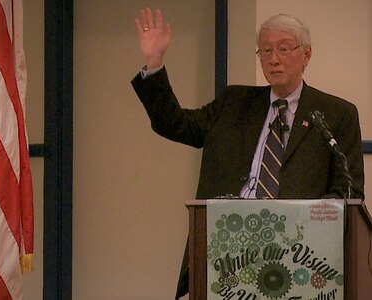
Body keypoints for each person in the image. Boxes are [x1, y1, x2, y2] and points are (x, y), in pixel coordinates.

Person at [131, 7, 365, 299]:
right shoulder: (234, 102)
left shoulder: (336, 113)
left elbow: (349, 187)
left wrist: (311, 216)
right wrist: (154, 63)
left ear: (306, 55)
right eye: (265, 51)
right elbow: (176, 124)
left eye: (283, 49)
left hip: (299, 250)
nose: (273, 59)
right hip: (227, 242)